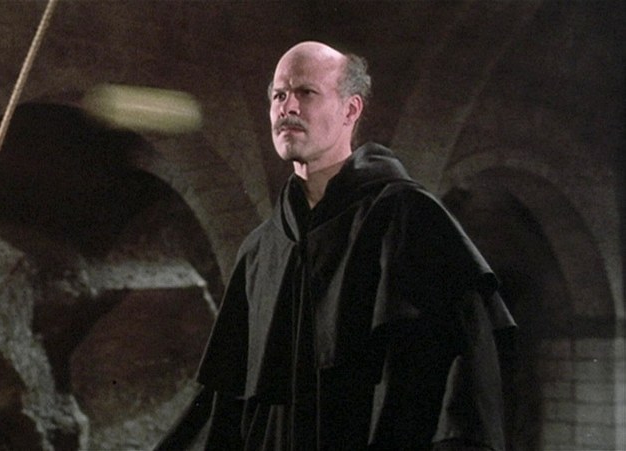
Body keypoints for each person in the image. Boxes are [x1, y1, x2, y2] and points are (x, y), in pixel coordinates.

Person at [156, 41, 516, 451]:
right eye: (279, 95)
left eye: (306, 92)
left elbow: (464, 388)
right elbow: (224, 411)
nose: (287, 107)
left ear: (351, 109)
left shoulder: (408, 217)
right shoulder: (259, 252)